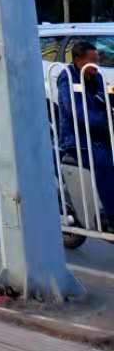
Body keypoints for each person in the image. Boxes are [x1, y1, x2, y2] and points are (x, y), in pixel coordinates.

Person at [57, 39, 114, 226]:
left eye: (97, 60)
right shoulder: (67, 77)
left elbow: (104, 98)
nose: (96, 65)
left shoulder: (96, 77)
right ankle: (111, 215)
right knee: (104, 162)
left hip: (99, 135)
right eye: (92, 60)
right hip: (78, 139)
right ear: (78, 60)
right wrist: (104, 123)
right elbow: (75, 111)